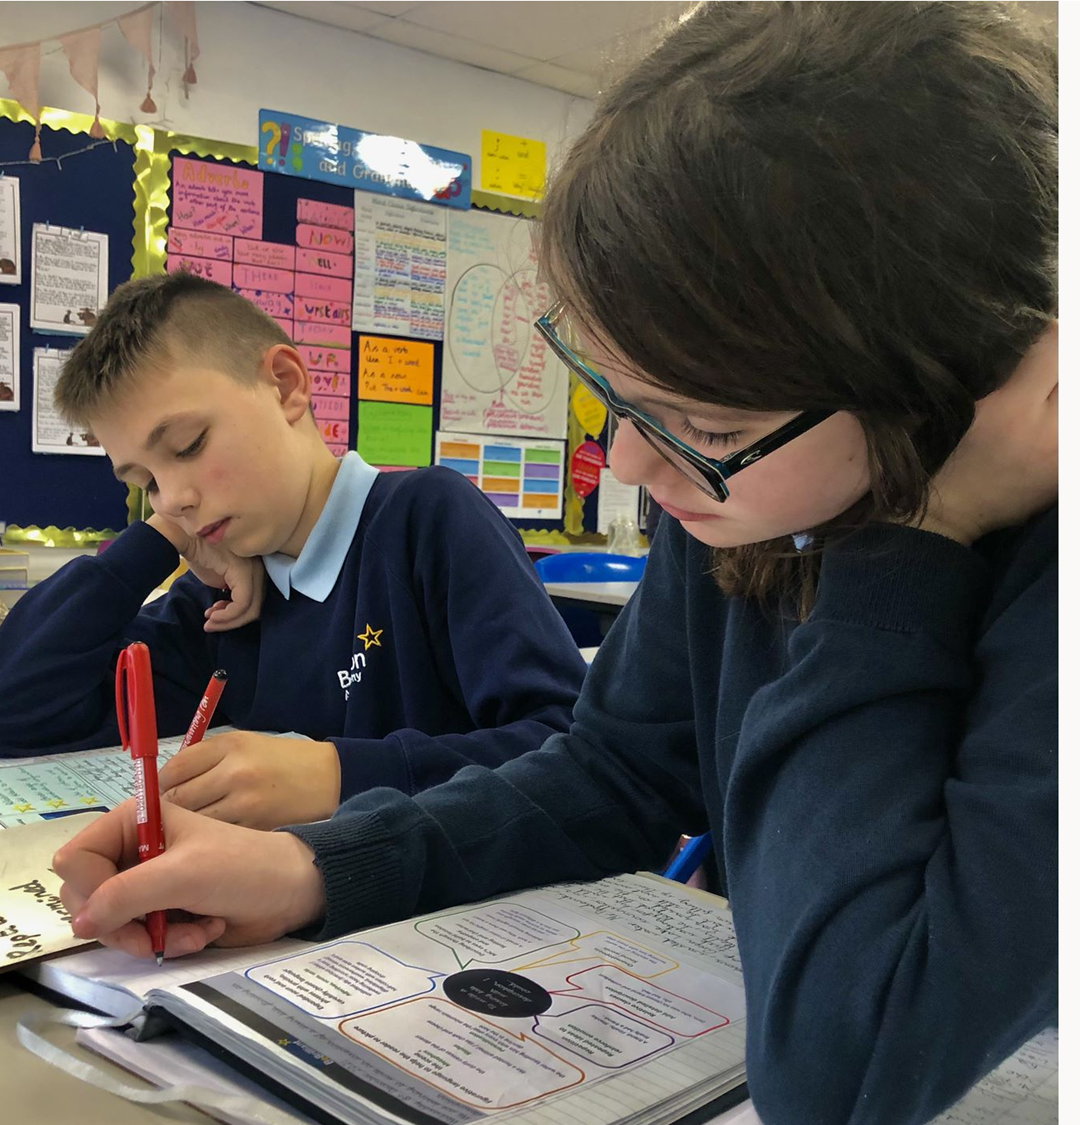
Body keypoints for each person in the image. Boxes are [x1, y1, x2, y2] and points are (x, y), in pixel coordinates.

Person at [52, 4, 1058, 1122]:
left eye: (704, 426)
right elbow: (612, 774)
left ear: (946, 399)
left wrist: (912, 542)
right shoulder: (738, 505)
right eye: (620, 396)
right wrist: (314, 870)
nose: (630, 460)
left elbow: (844, 1073)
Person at [0, 274, 586, 830]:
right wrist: (159, 541)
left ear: (284, 386)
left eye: (188, 445)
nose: (173, 496)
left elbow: (572, 750)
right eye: (144, 483)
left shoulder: (427, 521)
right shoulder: (223, 603)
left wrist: (338, 774)